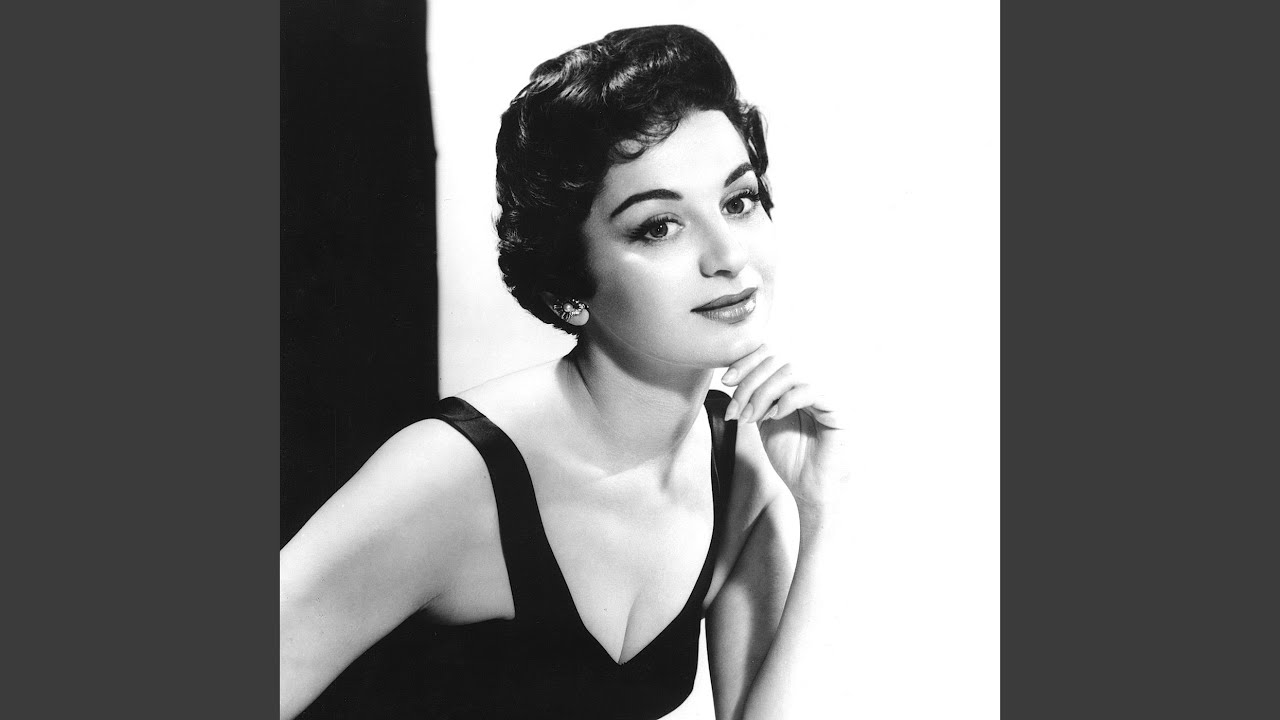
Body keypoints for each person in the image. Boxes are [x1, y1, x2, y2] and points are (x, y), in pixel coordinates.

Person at [280, 24, 850, 720]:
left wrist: (826, 511)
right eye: (658, 226)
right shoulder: (450, 473)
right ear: (568, 289)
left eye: (738, 201)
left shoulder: (741, 475)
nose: (729, 255)